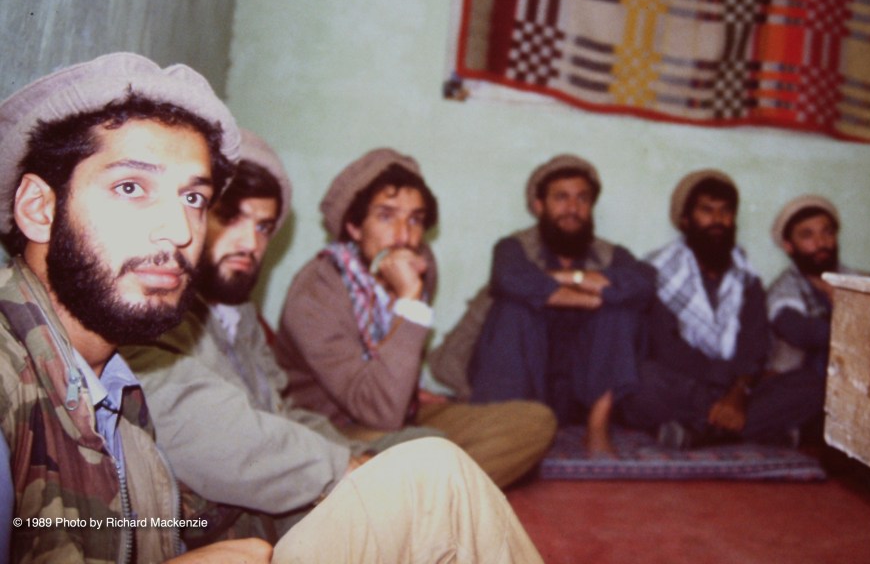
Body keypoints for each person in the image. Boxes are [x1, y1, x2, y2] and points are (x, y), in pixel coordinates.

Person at [0, 53, 542, 563]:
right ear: (38, 208)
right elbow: (337, 418)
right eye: (130, 187)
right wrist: (351, 467)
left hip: (289, 488)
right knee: (433, 475)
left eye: (193, 198)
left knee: (444, 459)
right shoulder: (17, 375)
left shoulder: (112, 376)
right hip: (291, 491)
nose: (178, 229)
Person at [122, 130, 430, 544]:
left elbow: (280, 411)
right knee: (434, 474)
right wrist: (343, 467)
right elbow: (215, 432)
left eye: (264, 226)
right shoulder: (152, 308)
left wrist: (358, 460)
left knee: (434, 455)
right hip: (251, 513)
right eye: (230, 217)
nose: (250, 243)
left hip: (305, 463)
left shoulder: (239, 313)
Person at [274, 148, 556, 488]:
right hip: (335, 429)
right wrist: (409, 302)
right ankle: (433, 490)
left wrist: (411, 390)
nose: (404, 236)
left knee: (535, 421)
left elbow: (392, 362)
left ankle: (419, 492)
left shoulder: (421, 266)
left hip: (399, 412)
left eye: (415, 220)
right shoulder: (316, 293)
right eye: (386, 217)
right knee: (427, 445)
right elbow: (378, 412)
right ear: (354, 226)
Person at [465, 154, 655, 453]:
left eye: (582, 199)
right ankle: (504, 428)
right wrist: (591, 296)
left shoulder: (611, 254)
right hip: (522, 379)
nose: (573, 209)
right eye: (561, 198)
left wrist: (572, 279)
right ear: (539, 206)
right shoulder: (514, 247)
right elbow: (509, 279)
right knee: (515, 306)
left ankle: (597, 429)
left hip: (583, 389)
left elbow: (644, 282)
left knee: (621, 309)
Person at [623, 169, 811, 448]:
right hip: (686, 383)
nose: (718, 220)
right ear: (685, 220)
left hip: (737, 387)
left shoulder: (747, 278)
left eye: (726, 211)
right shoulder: (658, 272)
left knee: (810, 384)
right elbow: (665, 348)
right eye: (707, 211)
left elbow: (755, 346)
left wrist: (739, 392)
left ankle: (700, 433)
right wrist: (726, 392)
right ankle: (745, 428)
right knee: (640, 379)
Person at [764, 195, 870, 444]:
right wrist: (849, 316)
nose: (821, 243)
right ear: (789, 246)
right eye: (808, 235)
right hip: (801, 388)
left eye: (827, 232)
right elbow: (804, 332)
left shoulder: (863, 281)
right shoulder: (782, 291)